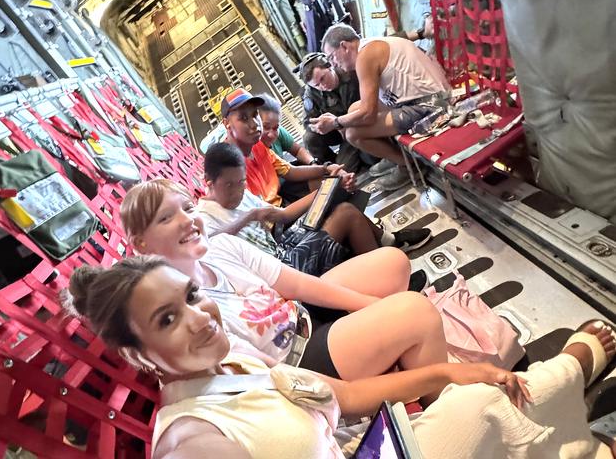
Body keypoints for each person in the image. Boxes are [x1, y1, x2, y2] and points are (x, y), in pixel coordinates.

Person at [67, 258, 616, 459]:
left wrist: (450, 370)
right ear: (140, 355)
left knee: (474, 395)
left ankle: (572, 406)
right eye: (167, 319)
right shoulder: (192, 443)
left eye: (189, 296)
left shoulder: (229, 363)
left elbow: (344, 396)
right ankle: (574, 372)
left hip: (365, 443)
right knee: (477, 411)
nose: (199, 316)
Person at [119, 178, 444, 382]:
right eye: (166, 218)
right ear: (141, 244)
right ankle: (438, 397)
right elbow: (268, 377)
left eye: (188, 208)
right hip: (299, 363)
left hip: (299, 316)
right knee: (416, 313)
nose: (188, 221)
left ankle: (394, 352)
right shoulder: (182, 307)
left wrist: (368, 305)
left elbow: (299, 285)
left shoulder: (220, 246)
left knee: (393, 263)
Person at [197, 142, 433, 270]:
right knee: (347, 215)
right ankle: (388, 270)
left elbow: (282, 215)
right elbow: (209, 246)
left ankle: (388, 246)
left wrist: (328, 190)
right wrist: (249, 217)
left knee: (334, 200)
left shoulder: (245, 192)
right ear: (209, 183)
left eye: (241, 182)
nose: (238, 191)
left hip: (282, 242)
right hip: (278, 268)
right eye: (230, 186)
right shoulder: (203, 217)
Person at [310, 24, 451, 191]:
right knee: (354, 109)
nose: (333, 63)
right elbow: (364, 108)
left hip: (429, 105)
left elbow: (368, 114)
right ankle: (398, 157)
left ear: (344, 46)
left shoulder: (365, 57)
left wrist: (335, 123)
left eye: (332, 57)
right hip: (423, 96)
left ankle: (409, 166)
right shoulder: (369, 46)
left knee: (353, 134)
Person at [221, 87, 355, 206]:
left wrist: (327, 168)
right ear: (226, 123)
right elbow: (265, 215)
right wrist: (326, 191)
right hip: (273, 221)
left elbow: (290, 170)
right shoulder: (228, 166)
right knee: (343, 209)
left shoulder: (256, 145)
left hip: (281, 201)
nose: (254, 124)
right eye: (244, 118)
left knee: (336, 188)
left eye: (254, 115)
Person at [258, 93, 313, 165]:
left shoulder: (279, 130)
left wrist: (313, 163)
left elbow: (297, 150)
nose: (271, 135)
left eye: (275, 128)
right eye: (265, 127)